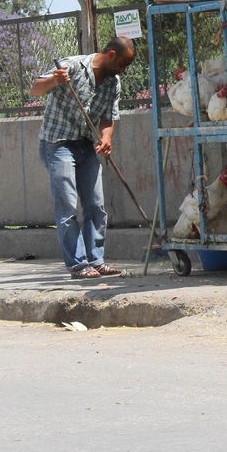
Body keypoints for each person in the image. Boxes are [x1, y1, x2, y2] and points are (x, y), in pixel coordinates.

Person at [30, 36, 137, 279]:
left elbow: (109, 117)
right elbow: (35, 87)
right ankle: (78, 265)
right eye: (123, 63)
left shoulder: (113, 83)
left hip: (86, 144)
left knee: (96, 203)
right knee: (68, 204)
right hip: (58, 144)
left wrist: (106, 137)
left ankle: (96, 260)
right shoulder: (74, 66)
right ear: (111, 55)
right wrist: (53, 80)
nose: (124, 70)